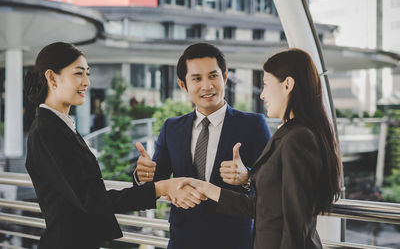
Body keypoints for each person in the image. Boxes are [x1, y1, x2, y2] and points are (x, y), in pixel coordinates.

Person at [24, 42, 205, 249]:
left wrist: (145, 179)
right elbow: (92, 199)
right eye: (78, 74)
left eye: (87, 74)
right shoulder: (47, 131)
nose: (87, 82)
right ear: (51, 77)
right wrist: (161, 187)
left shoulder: (60, 126)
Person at [178, 48, 342, 249]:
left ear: (287, 85)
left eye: (265, 85)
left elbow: (296, 223)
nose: (262, 94)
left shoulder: (298, 138)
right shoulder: (289, 133)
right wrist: (205, 187)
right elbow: (264, 208)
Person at [134, 43, 271, 249]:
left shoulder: (253, 125)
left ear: (224, 77)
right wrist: (142, 175)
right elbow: (156, 182)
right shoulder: (172, 128)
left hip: (234, 242)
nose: (207, 86)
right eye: (197, 79)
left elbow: (271, 187)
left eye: (213, 76)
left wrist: (246, 177)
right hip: (183, 241)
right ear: (183, 85)